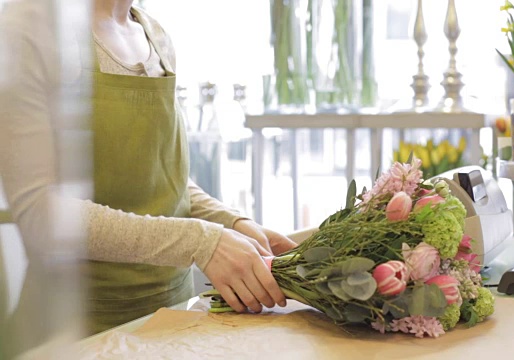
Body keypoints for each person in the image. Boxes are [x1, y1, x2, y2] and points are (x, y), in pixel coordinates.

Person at [0, 0, 297, 352]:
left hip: (174, 319)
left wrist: (232, 223)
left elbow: (166, 178)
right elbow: (41, 214)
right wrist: (202, 242)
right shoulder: (28, 27)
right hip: (76, 332)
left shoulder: (156, 36)